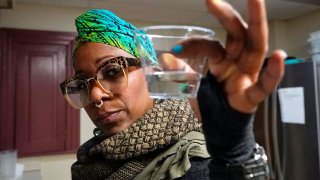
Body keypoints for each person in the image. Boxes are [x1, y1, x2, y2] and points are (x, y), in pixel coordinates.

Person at [59, 0, 286, 179]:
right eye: (83, 83)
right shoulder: (89, 161)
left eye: (111, 72)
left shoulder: (192, 162)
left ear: (150, 72)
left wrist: (235, 150)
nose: (95, 95)